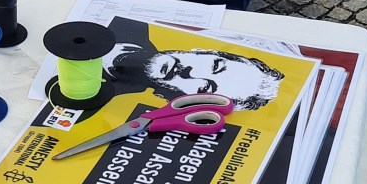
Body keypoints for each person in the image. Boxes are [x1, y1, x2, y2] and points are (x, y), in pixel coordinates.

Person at [107, 43, 286, 110]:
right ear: (205, 51)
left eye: (204, 88)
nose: (190, 72)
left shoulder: (109, 106)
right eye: (215, 66)